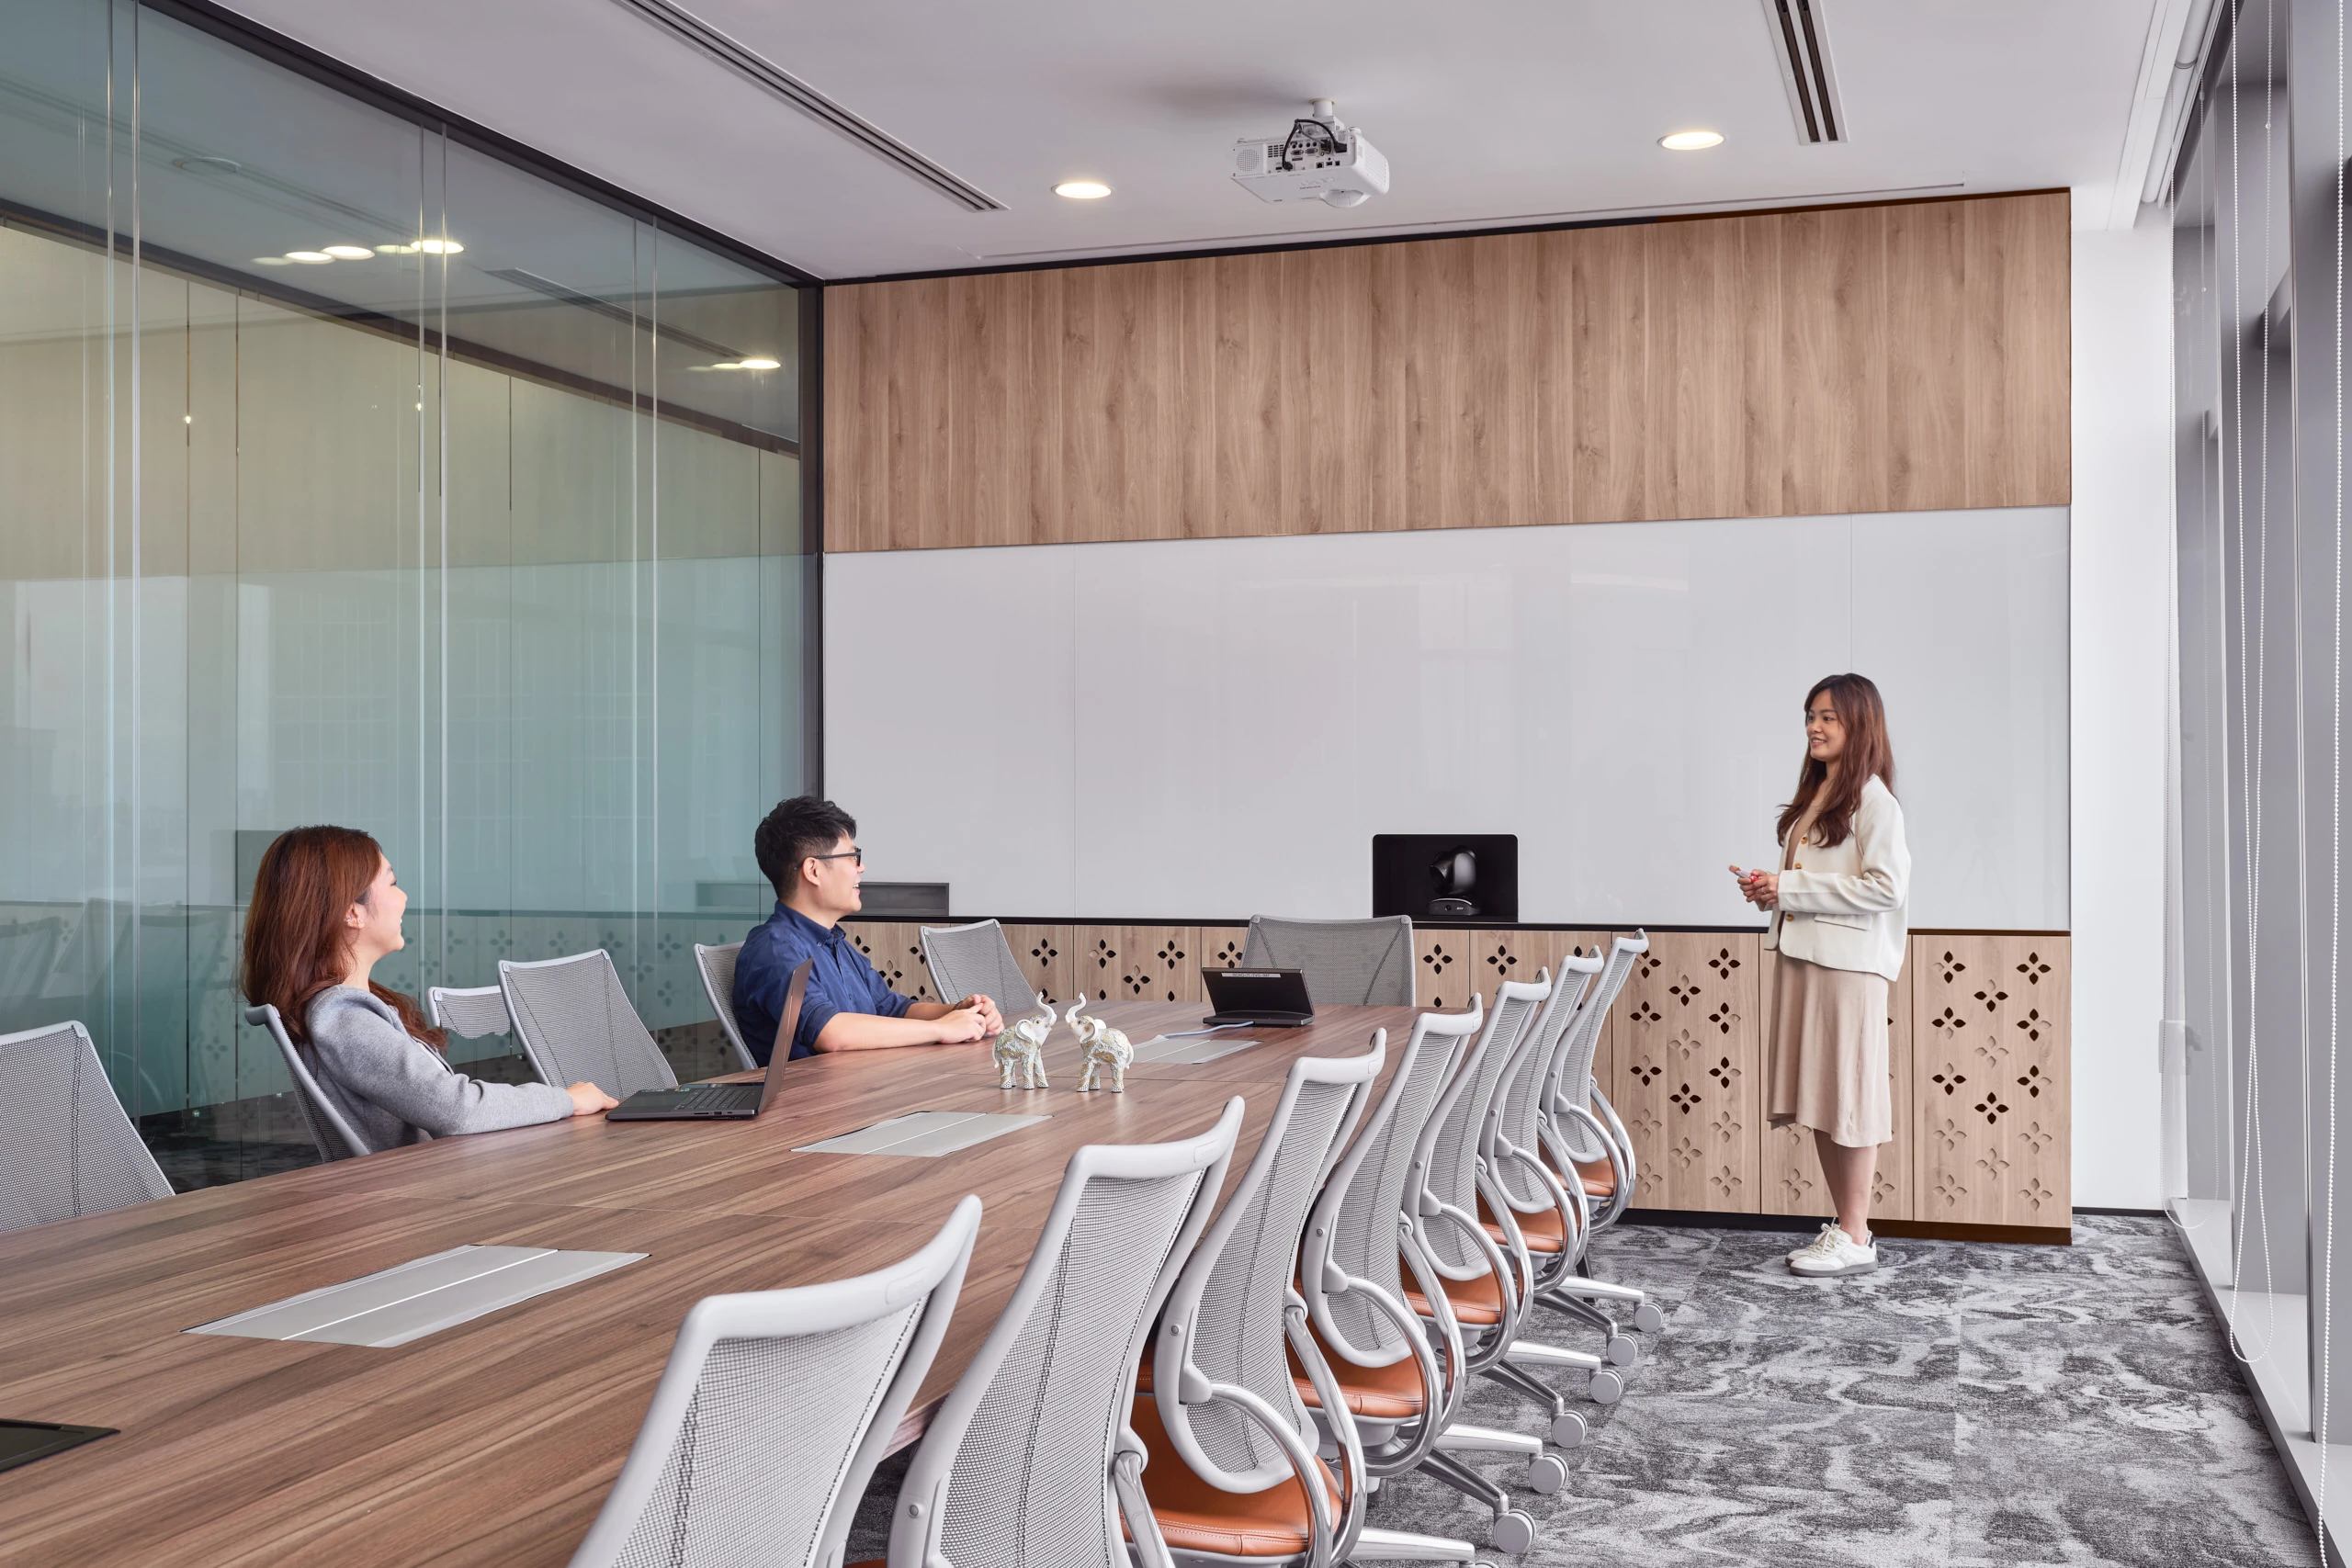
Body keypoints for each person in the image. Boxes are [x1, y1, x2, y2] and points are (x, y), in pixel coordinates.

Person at [241, 826, 616, 1156]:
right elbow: (456, 1109)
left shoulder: (341, 1013)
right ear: (352, 912)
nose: (403, 897)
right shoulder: (342, 1018)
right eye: (392, 883)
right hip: (418, 1197)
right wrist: (565, 1100)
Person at [1730, 672, 1910, 1279]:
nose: (1815, 725)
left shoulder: (1874, 801)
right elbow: (1816, 883)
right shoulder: (1823, 795)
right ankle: (1847, 1228)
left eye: (1829, 716)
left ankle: (1856, 1235)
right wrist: (1771, 889)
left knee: (1850, 1098)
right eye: (1811, 715)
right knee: (1825, 1097)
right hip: (1807, 959)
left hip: (1847, 967)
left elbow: (1886, 888)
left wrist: (1791, 887)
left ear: (1860, 723)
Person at [733, 796, 1002, 1066]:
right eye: (852, 857)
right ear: (813, 870)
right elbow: (830, 1033)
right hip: (815, 1093)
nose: (860, 868)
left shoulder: (834, 942)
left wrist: (961, 1012)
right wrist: (942, 1029)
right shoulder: (775, 949)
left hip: (864, 1082)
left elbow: (893, 1009)